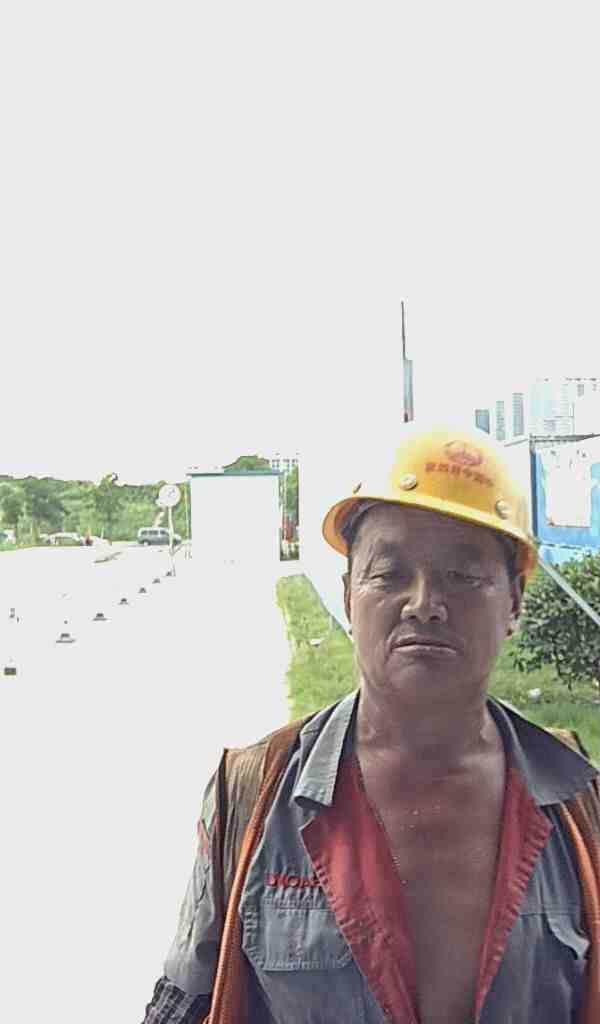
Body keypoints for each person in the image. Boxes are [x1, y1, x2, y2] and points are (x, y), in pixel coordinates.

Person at [142, 425, 598, 1024]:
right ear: (348, 596)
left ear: (513, 602)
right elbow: (182, 1003)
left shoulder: (579, 807)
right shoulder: (250, 797)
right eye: (389, 573)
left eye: (463, 576)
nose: (424, 603)